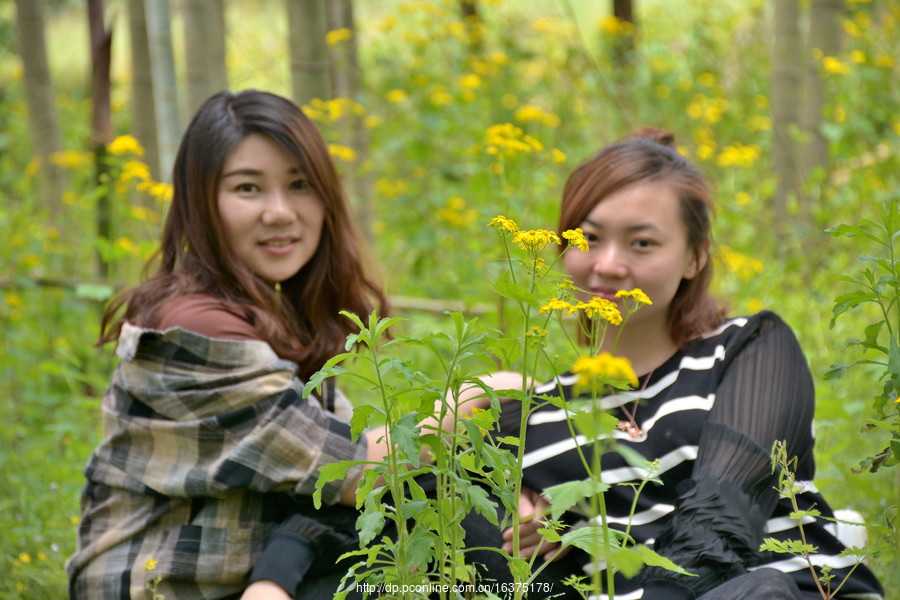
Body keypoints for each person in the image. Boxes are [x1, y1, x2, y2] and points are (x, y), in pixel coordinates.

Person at [468, 128, 885, 599]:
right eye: (588, 238)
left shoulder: (747, 349)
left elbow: (721, 517)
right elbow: (382, 479)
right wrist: (473, 398)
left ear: (695, 256)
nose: (607, 264)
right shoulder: (531, 414)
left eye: (641, 243)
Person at [66, 90, 393, 600]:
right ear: (202, 203)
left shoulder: (274, 315)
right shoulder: (195, 330)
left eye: (300, 185)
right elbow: (354, 473)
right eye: (248, 188)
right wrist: (488, 398)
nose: (280, 212)